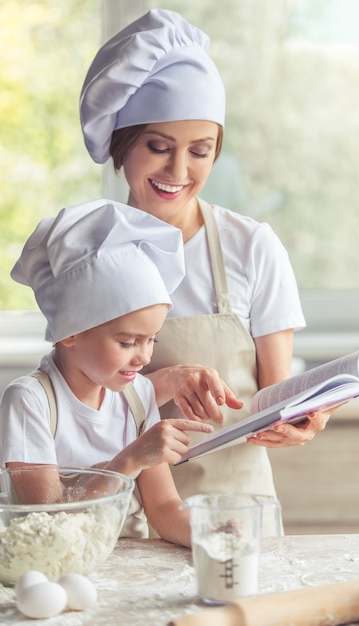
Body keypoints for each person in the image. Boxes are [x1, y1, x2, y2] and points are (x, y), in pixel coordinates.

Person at [79, 9, 339, 508]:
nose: (179, 169)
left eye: (200, 151)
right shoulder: (88, 253)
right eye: (158, 147)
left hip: (235, 512)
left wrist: (305, 417)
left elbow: (274, 390)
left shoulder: (252, 247)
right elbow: (70, 406)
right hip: (118, 509)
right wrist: (165, 382)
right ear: (123, 144)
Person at [0, 198, 214, 547]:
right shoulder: (30, 401)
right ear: (70, 332)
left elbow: (164, 507)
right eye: (128, 342)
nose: (144, 357)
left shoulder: (138, 395)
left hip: (129, 569)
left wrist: (213, 535)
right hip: (54, 569)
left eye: (151, 341)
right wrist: (131, 458)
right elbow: (47, 519)